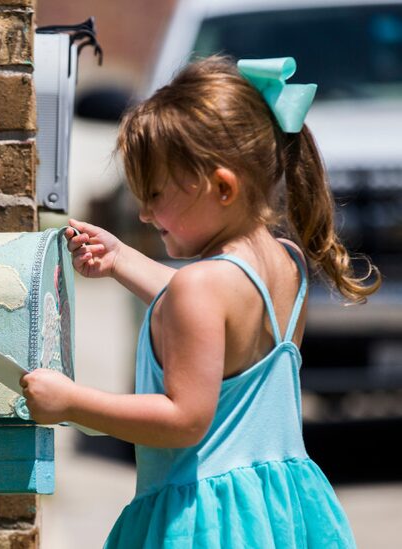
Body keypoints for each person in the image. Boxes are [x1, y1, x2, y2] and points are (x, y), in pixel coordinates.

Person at [20, 56, 380, 548]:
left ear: (222, 187)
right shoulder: (286, 264)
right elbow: (207, 310)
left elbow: (184, 419)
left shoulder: (201, 288)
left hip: (206, 522)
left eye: (154, 194)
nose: (144, 214)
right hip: (281, 511)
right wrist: (121, 258)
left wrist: (71, 402)